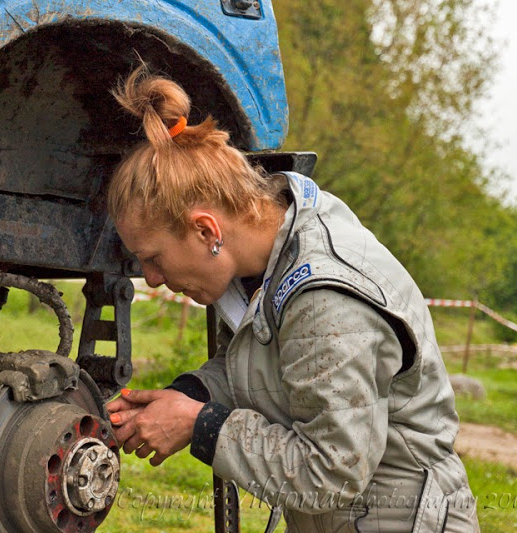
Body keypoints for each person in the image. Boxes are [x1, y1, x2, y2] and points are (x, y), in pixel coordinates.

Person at [104, 64, 480, 532]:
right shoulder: (270, 254)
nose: (153, 279)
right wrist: (187, 396)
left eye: (154, 257)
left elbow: (330, 472)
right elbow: (269, 361)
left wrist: (199, 425)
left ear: (206, 230)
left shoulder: (323, 297)